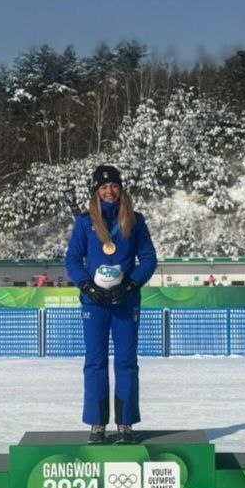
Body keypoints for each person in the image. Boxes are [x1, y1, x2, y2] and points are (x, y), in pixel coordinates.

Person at [65, 165, 157, 445]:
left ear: (121, 188)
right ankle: (97, 424)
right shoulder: (84, 223)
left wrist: (131, 284)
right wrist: (87, 286)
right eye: (104, 186)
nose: (109, 190)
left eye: (114, 185)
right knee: (95, 362)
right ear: (96, 191)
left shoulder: (135, 220)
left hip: (125, 302)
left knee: (127, 362)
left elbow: (149, 259)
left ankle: (125, 424)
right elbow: (72, 260)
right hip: (94, 303)